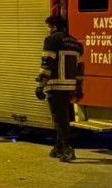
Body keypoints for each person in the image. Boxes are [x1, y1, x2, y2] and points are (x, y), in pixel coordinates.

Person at [35, 13, 83, 163]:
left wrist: (40, 85)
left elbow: (47, 64)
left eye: (49, 27)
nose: (48, 30)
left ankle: (67, 149)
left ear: (55, 27)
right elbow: (80, 68)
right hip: (70, 87)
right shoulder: (75, 43)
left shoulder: (51, 40)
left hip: (55, 85)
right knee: (63, 118)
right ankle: (58, 147)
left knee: (59, 119)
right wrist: (78, 88)